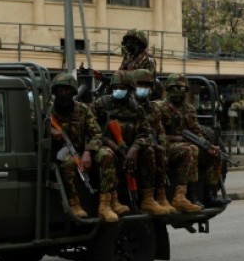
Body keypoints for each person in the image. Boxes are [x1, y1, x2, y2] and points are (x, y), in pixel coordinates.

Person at [91, 71, 167, 216]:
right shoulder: (101, 104)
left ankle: (148, 199)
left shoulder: (136, 108)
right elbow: (91, 131)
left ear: (130, 90)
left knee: (150, 151)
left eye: (123, 88)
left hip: (128, 150)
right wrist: (113, 146)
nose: (118, 91)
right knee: (106, 154)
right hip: (108, 148)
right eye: (116, 87)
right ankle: (107, 203)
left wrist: (134, 149)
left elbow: (146, 134)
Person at [50, 72, 119, 222]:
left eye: (67, 90)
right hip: (61, 153)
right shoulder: (49, 112)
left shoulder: (82, 109)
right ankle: (75, 204)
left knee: (107, 154)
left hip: (82, 150)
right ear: (55, 92)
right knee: (68, 163)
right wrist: (50, 131)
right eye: (60, 91)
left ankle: (106, 204)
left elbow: (97, 134)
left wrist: (88, 152)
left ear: (73, 92)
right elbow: (34, 129)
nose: (63, 94)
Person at [157, 74, 222, 211]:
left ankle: (209, 194)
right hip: (165, 146)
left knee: (215, 153)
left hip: (186, 144)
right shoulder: (160, 107)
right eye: (174, 88)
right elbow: (157, 134)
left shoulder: (189, 109)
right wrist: (177, 139)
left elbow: (196, 131)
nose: (178, 91)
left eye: (181, 88)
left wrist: (207, 145)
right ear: (168, 89)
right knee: (191, 150)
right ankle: (188, 195)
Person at [131, 69, 176, 214]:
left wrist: (164, 149)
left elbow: (160, 131)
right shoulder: (128, 105)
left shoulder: (153, 108)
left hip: (149, 144)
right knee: (150, 151)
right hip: (133, 147)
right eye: (140, 84)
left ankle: (160, 197)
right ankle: (148, 199)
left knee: (159, 151)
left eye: (146, 85)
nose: (143, 88)